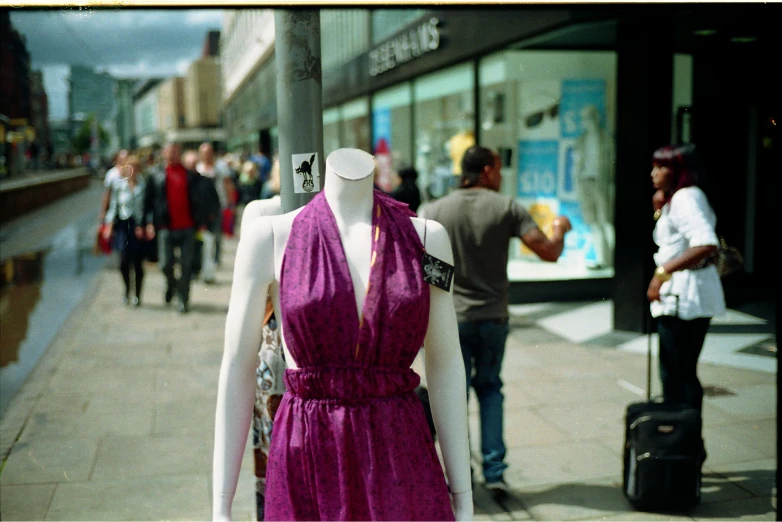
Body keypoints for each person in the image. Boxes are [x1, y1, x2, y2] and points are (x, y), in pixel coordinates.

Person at [213, 148, 472, 521]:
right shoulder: (270, 236)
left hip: (399, 449)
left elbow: (446, 361)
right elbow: (237, 363)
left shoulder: (427, 239)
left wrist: (461, 493)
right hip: (309, 451)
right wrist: (221, 504)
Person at [420, 145, 572, 493]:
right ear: (487, 170)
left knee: (452, 395)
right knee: (490, 390)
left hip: (450, 321)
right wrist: (561, 228)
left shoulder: (433, 210)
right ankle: (494, 472)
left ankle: (459, 477)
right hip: (492, 318)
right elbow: (548, 251)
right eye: (500, 169)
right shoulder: (507, 208)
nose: (501, 176)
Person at [647, 143, 725, 413]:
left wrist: (661, 274)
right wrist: (660, 205)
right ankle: (682, 438)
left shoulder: (685, 198)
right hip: (687, 294)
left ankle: (680, 438)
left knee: (677, 374)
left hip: (685, 296)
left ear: (679, 170)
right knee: (679, 372)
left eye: (661, 166)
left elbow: (705, 243)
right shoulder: (679, 196)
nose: (653, 173)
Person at [144, 142, 204, 314]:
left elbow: (199, 200)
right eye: (169, 152)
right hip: (165, 227)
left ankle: (183, 299)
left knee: (186, 265)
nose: (173, 155)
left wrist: (200, 220)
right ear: (164, 153)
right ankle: (172, 285)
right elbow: (148, 202)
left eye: (176, 152)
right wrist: (147, 223)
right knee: (164, 264)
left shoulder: (190, 175)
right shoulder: (155, 175)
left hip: (187, 228)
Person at [571, 104, 615, 269]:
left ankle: (615, 259)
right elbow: (576, 166)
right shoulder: (581, 141)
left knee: (606, 221)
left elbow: (612, 165)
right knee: (593, 222)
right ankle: (603, 260)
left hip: (601, 183)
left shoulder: (606, 140)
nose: (586, 121)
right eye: (584, 118)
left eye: (589, 117)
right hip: (585, 183)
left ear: (596, 118)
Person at [102, 154, 148, 306]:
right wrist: (108, 225)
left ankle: (138, 295)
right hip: (123, 225)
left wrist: (147, 224)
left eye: (135, 168)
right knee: (123, 262)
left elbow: (149, 207)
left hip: (139, 226)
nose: (132, 171)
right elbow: (114, 206)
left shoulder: (144, 185)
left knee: (138, 263)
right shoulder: (119, 186)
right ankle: (127, 289)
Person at [197, 142, 236, 267]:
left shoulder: (221, 166)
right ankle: (204, 257)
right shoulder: (198, 168)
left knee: (218, 233)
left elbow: (228, 184)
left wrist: (231, 203)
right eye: (203, 153)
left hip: (219, 204)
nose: (206, 155)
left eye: (208, 152)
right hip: (202, 206)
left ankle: (216, 258)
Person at [98, 149, 129, 223]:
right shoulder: (111, 174)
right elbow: (107, 194)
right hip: (115, 211)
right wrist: (103, 211)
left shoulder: (131, 172)